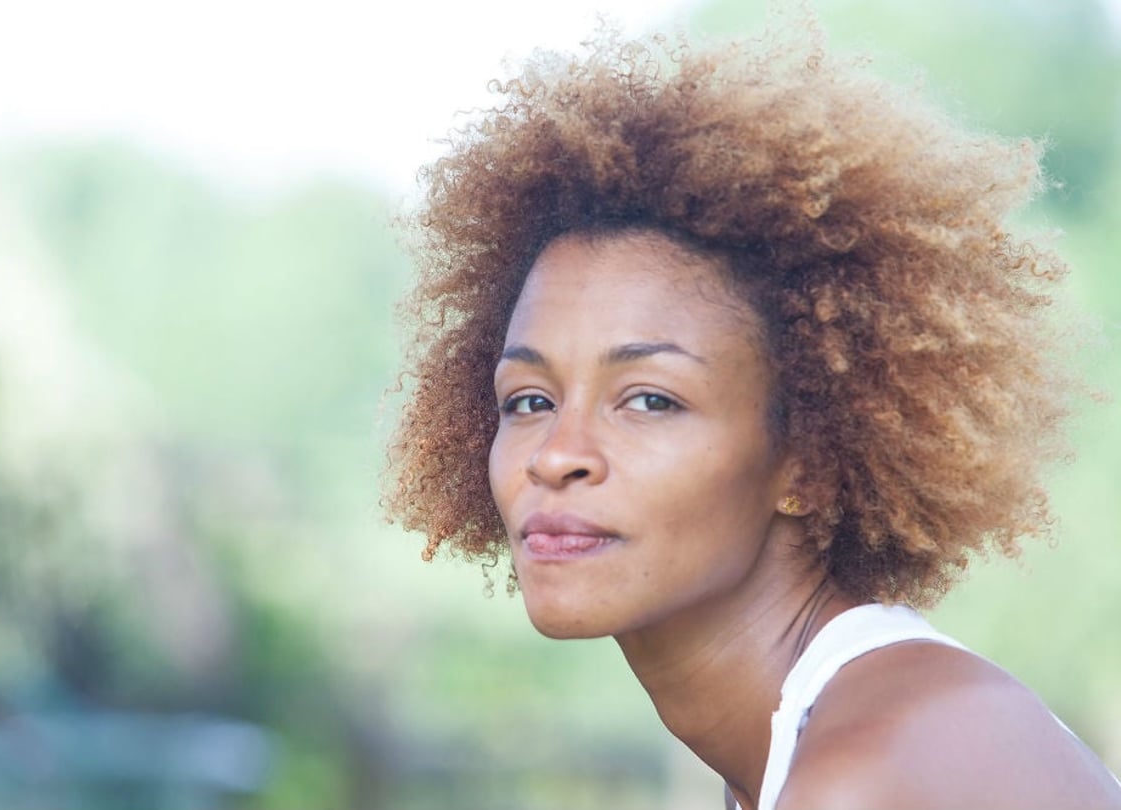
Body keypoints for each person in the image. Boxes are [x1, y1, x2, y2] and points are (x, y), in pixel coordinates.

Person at [382, 19, 1121, 810]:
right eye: (528, 401)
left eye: (650, 400)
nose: (557, 454)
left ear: (806, 457)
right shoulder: (812, 742)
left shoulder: (877, 765)